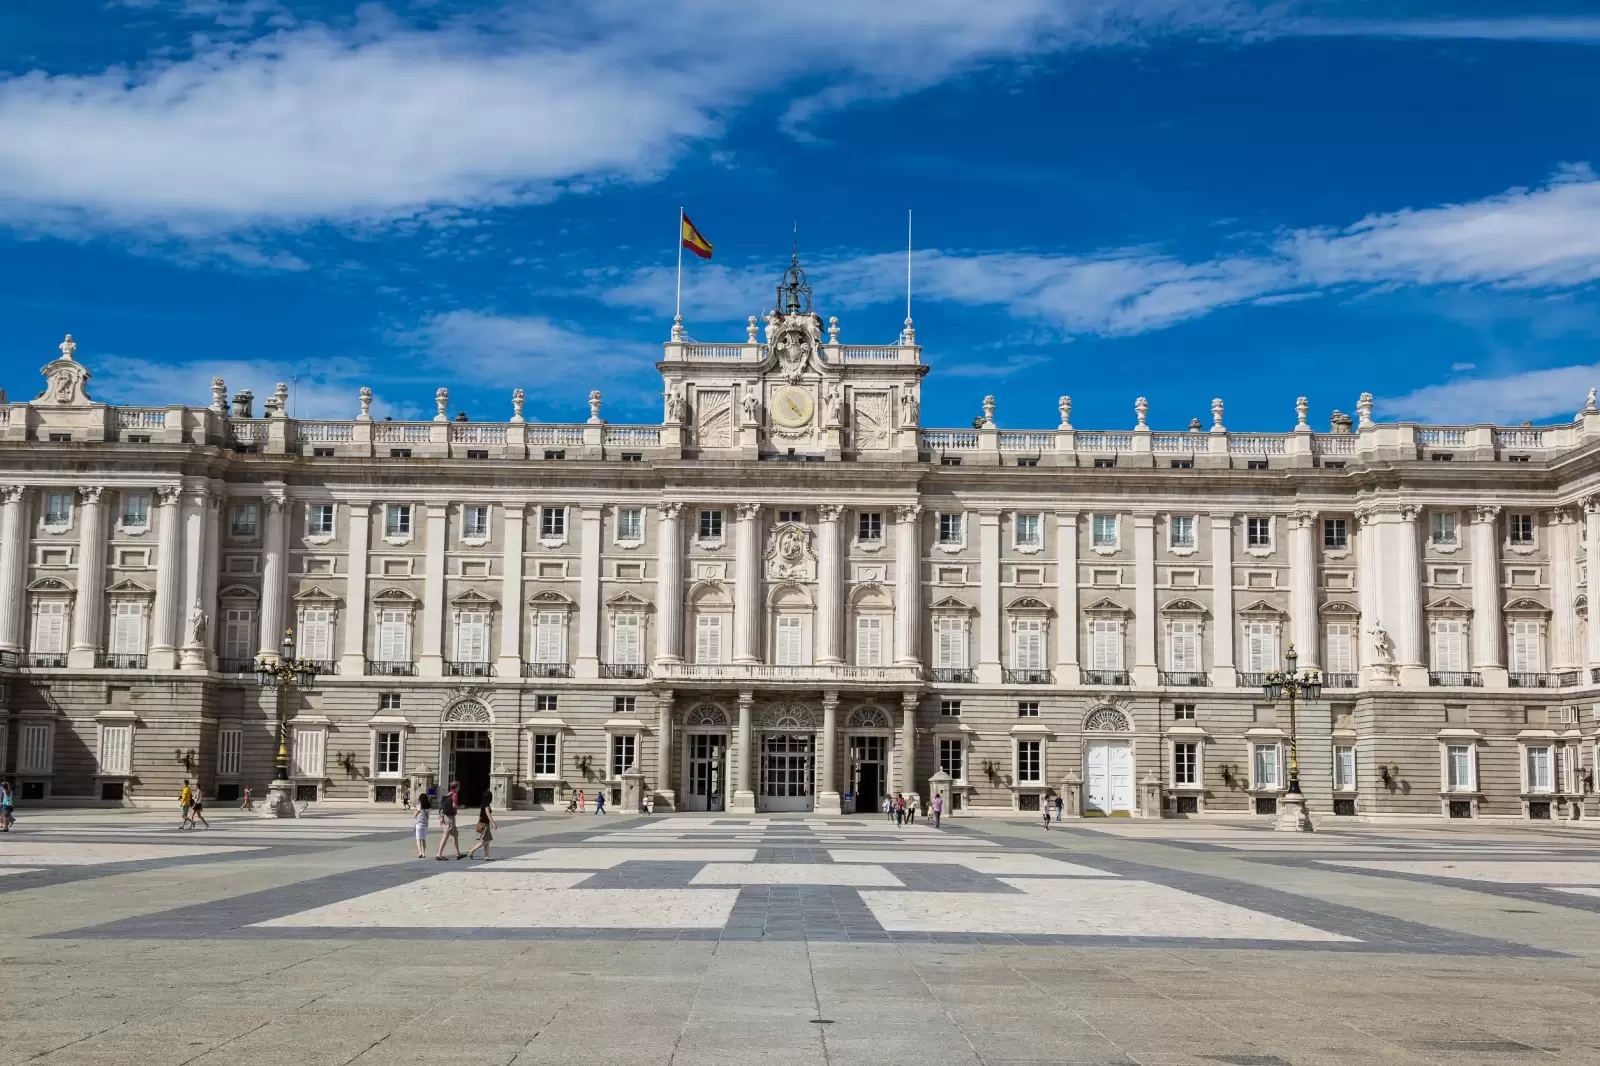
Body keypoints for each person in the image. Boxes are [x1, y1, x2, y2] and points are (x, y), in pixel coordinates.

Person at [435, 780, 464, 861]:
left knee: (455, 834)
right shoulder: (454, 794)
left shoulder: (448, 794)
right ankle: (439, 854)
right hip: (450, 818)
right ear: (456, 787)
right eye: (458, 786)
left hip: (447, 817)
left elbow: (442, 807)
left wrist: (441, 817)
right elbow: (454, 805)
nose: (459, 788)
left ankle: (458, 853)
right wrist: (460, 807)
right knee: (446, 835)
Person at [467, 790, 497, 861]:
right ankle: (472, 850)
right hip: (485, 824)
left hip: (483, 823)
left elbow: (481, 815)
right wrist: (493, 823)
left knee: (487, 840)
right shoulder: (487, 806)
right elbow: (488, 815)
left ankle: (486, 856)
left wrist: (478, 824)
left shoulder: (483, 804)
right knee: (487, 841)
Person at [412, 792, 431, 858]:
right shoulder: (428, 807)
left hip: (419, 824)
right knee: (423, 839)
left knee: (418, 839)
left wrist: (416, 810)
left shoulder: (419, 806)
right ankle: (424, 853)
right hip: (425, 825)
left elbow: (415, 815)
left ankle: (420, 852)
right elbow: (428, 817)